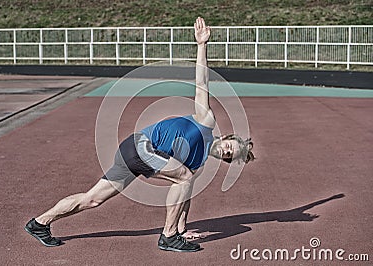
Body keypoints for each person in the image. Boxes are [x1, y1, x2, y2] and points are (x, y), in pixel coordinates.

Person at [24, 17, 254, 252]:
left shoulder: (199, 164)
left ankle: (39, 223)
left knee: (92, 199)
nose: (226, 153)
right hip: (140, 146)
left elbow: (184, 197)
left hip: (136, 157)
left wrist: (184, 227)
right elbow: (202, 83)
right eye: (230, 148)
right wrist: (202, 46)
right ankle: (168, 237)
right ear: (226, 138)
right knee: (184, 177)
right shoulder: (206, 122)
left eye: (228, 157)